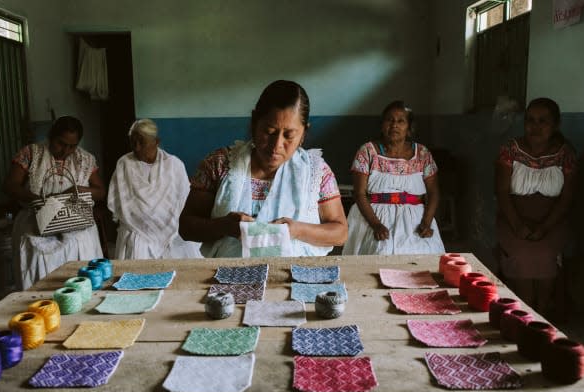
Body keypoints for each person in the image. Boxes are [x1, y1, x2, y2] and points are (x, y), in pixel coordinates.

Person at [179, 80, 348, 257]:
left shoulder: (316, 172)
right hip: (229, 279)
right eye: (269, 131)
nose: (277, 145)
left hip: (294, 278)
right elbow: (186, 226)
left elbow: (340, 233)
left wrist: (296, 230)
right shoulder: (220, 164)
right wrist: (225, 226)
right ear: (254, 123)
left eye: (289, 135)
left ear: (304, 134)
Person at [495, 97, 576, 316]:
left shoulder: (565, 154)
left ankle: (541, 315)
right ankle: (524, 313)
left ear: (555, 124)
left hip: (552, 221)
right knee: (521, 254)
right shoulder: (510, 150)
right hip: (514, 217)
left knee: (546, 253)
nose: (535, 126)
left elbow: (566, 197)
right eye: (530, 120)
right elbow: (502, 192)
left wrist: (544, 228)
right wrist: (518, 225)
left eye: (543, 121)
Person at [4, 116, 105, 290]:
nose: (66, 150)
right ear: (51, 136)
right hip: (36, 224)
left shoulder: (85, 159)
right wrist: (38, 199)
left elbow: (101, 192)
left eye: (72, 146)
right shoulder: (31, 153)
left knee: (80, 277)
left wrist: (79, 190)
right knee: (40, 281)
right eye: (61, 143)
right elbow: (9, 186)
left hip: (76, 222)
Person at [342, 100, 445, 255]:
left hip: (415, 219)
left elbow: (433, 192)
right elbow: (359, 194)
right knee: (379, 253)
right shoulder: (367, 151)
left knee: (425, 255)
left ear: (409, 128)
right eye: (389, 120)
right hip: (373, 217)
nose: (394, 125)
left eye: (401, 121)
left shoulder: (422, 153)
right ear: (382, 125)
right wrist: (376, 225)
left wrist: (426, 222)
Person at [107, 119, 202, 259]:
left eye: (142, 142)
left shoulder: (174, 164)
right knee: (136, 248)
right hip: (136, 230)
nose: (137, 147)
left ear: (156, 142)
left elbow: (183, 199)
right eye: (133, 142)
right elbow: (120, 202)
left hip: (170, 229)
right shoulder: (124, 163)